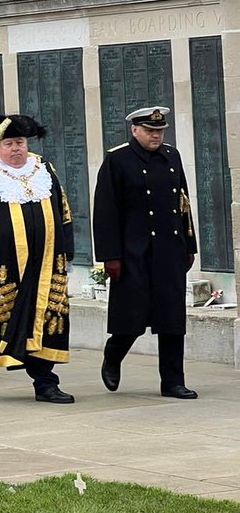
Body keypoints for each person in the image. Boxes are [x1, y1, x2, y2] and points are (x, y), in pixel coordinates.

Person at [0, 114, 75, 404]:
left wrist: (67, 254)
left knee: (48, 321)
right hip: (2, 267)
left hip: (46, 265)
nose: (16, 149)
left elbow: (64, 212)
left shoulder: (44, 169)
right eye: (9, 143)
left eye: (19, 142)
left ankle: (45, 383)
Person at [92, 106, 198, 399]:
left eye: (160, 131)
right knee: (132, 316)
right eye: (150, 131)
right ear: (134, 130)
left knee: (172, 319)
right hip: (133, 252)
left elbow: (183, 203)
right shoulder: (118, 160)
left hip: (169, 249)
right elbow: (105, 211)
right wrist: (110, 256)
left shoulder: (171, 156)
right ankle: (114, 354)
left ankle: (173, 381)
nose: (156, 136)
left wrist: (190, 245)